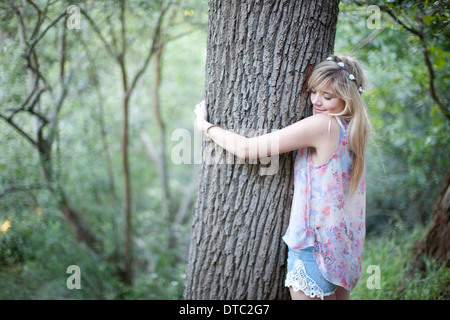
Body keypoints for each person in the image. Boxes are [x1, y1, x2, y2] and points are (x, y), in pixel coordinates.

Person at [194, 55, 371, 300]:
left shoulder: (324, 125)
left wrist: (206, 127)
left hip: (314, 249)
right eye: (313, 91)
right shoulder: (351, 129)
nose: (316, 101)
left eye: (327, 96)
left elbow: (248, 149)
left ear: (348, 97)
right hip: (342, 250)